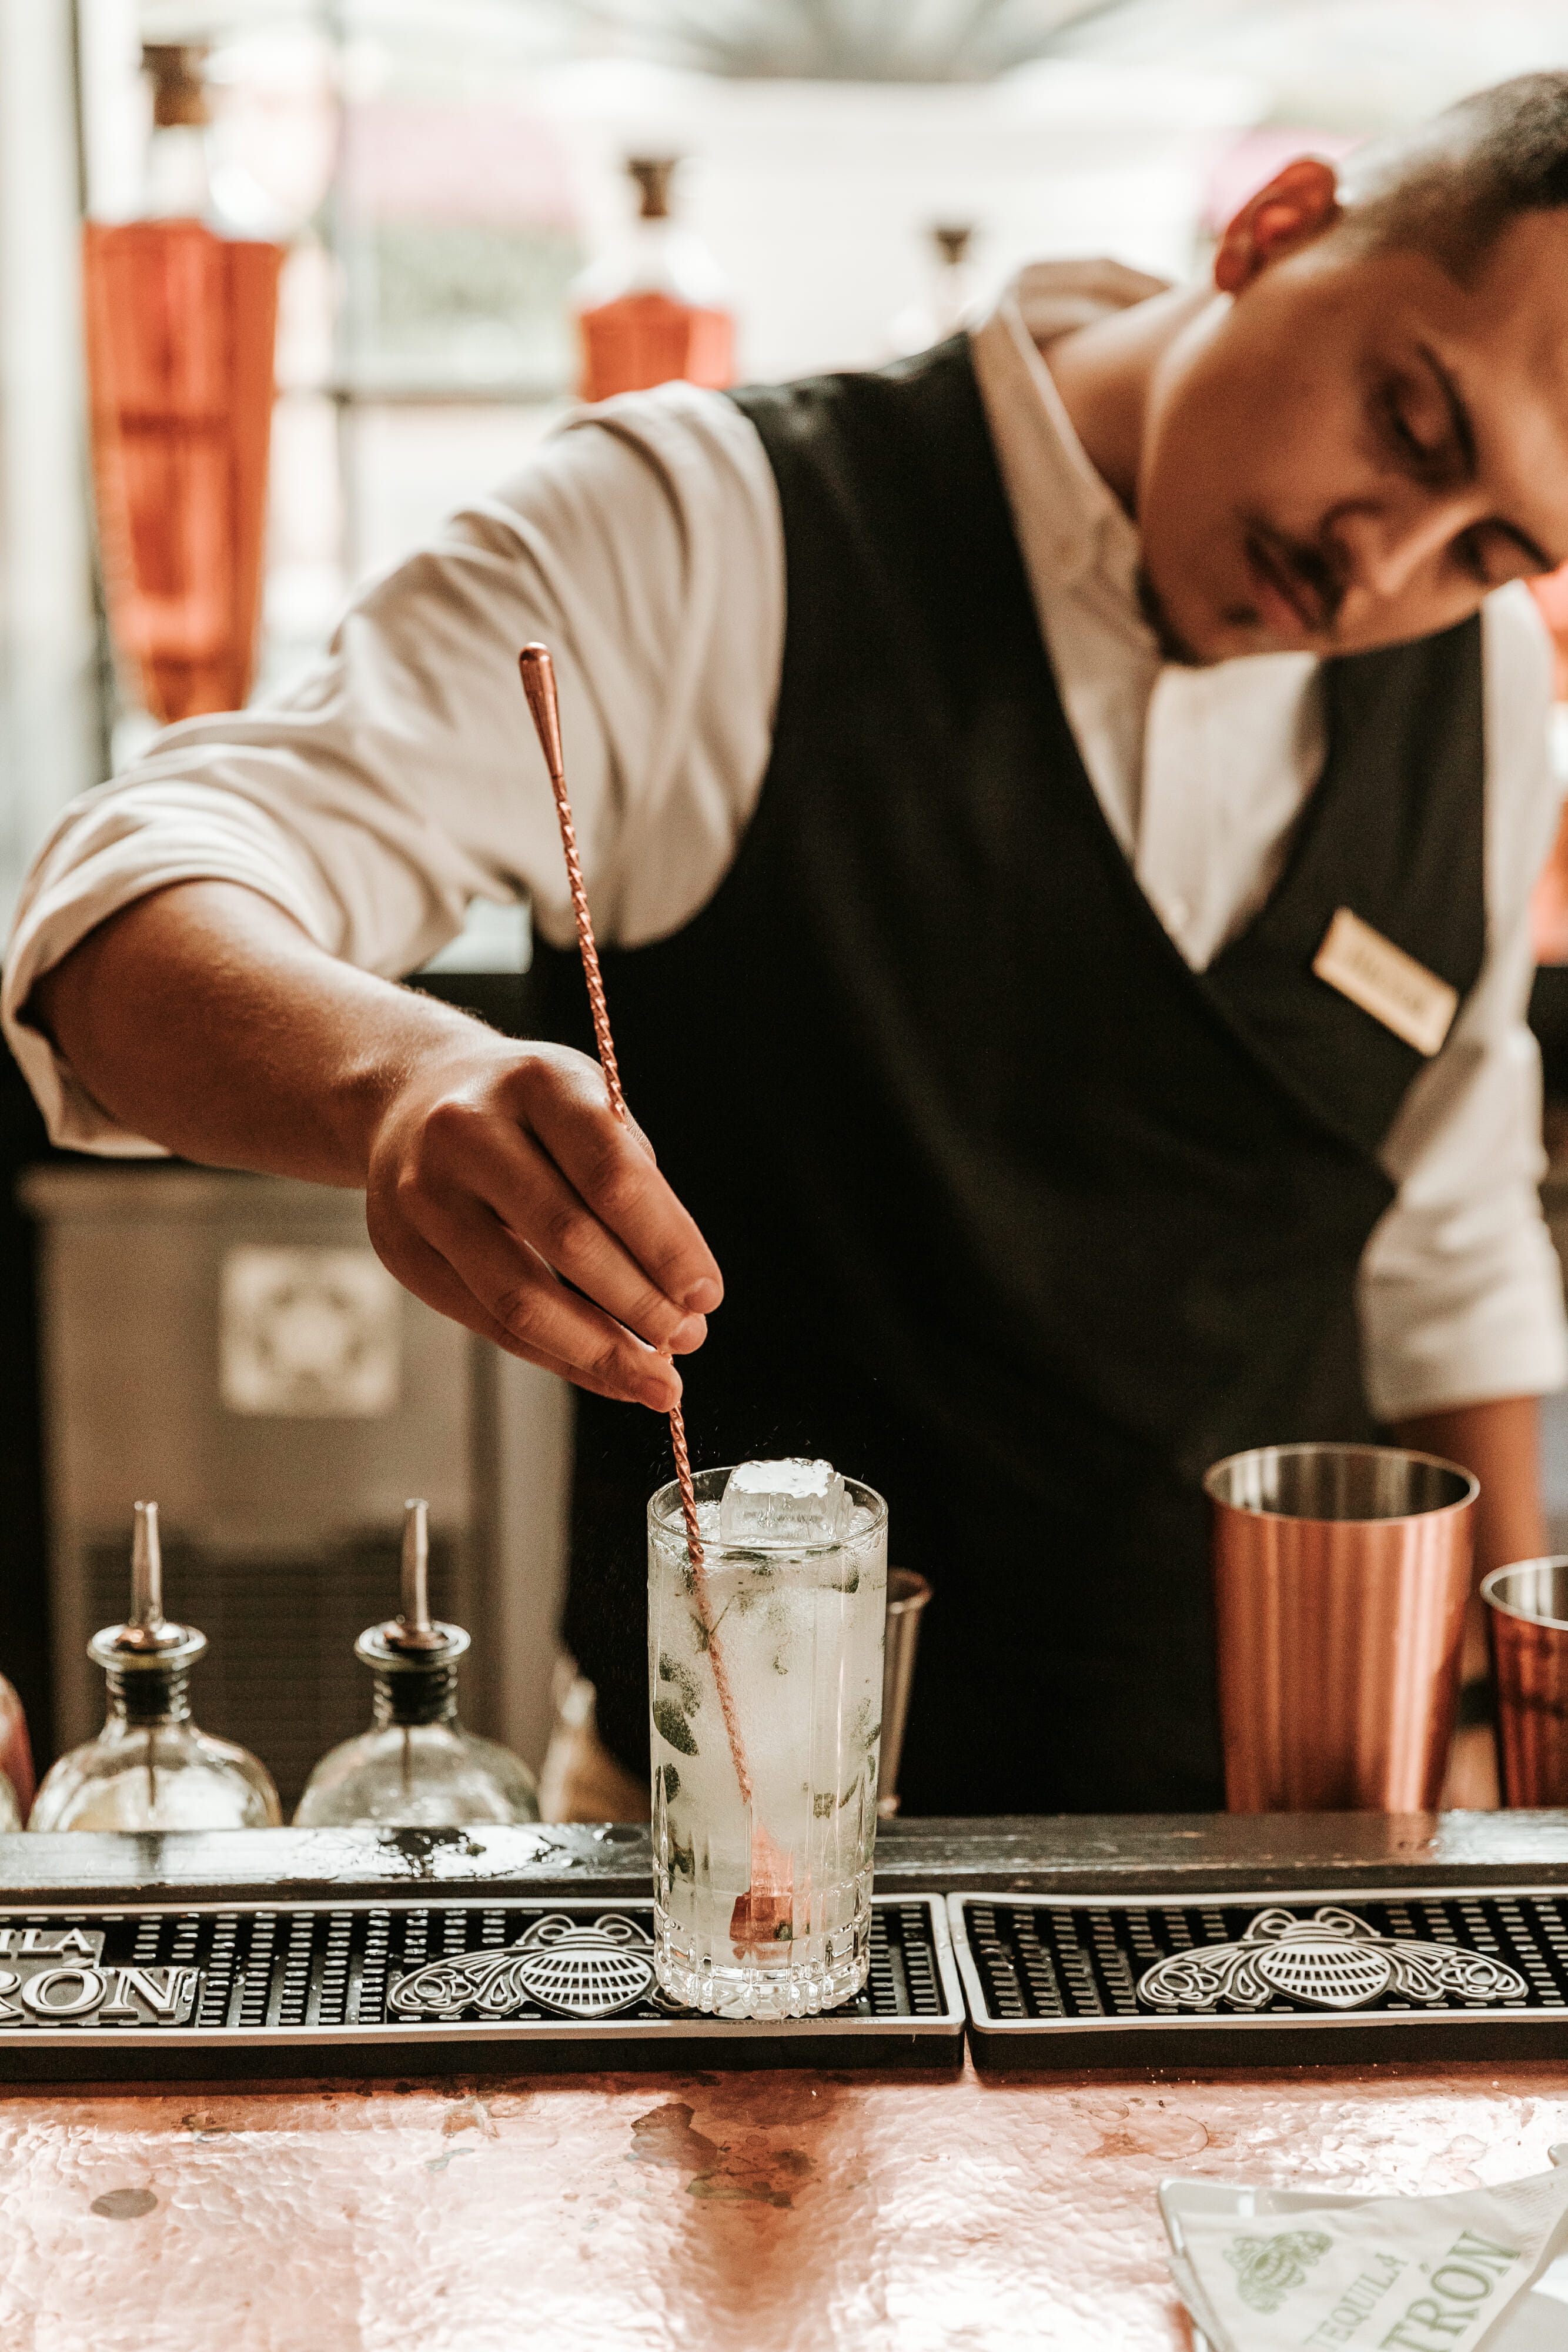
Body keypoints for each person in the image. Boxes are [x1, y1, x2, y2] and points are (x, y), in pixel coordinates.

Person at [9, 76, 1568, 1818]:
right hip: (730, 1854)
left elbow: (1445, 1253)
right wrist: (398, 1082)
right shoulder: (709, 534)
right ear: (1273, 228)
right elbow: (124, 903)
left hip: (1265, 1861)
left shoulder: (1482, 683)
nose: (1386, 570)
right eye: (1413, 426)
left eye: (1494, 545)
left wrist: (1516, 1793)